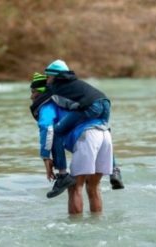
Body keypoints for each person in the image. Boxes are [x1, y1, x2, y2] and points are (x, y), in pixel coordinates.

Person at [29, 74, 112, 214]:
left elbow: (47, 128)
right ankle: (97, 225)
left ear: (43, 92)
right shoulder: (70, 99)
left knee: (74, 187)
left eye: (33, 92)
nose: (31, 97)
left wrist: (45, 157)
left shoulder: (48, 105)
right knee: (93, 186)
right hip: (105, 134)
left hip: (87, 137)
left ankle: (77, 231)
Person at [44, 60, 124, 190]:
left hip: (92, 105)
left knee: (57, 131)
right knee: (104, 130)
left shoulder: (55, 87)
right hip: (105, 102)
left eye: (47, 76)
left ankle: (62, 175)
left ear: (55, 76)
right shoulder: (74, 82)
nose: (46, 79)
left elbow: (47, 100)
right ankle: (115, 171)